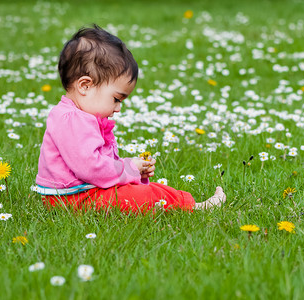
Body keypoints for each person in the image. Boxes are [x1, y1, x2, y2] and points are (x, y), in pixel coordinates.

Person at [35, 24, 226, 212]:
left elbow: (100, 164)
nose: (118, 108)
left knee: (145, 191)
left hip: (82, 194)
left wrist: (135, 170)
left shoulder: (79, 116)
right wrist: (129, 168)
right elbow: (91, 168)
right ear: (85, 86)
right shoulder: (72, 120)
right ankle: (193, 207)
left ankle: (185, 202)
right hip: (74, 200)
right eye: (116, 99)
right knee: (145, 196)